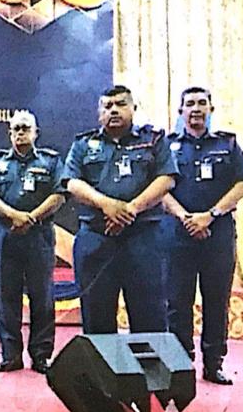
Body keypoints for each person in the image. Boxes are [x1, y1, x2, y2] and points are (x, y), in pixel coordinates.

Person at [63, 85, 177, 334]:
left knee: (150, 317)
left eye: (121, 104)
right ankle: (101, 363)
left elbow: (167, 179)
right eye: (107, 106)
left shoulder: (154, 140)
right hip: (96, 238)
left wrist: (130, 209)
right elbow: (71, 182)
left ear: (133, 108)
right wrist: (106, 204)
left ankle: (149, 362)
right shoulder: (83, 144)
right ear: (99, 113)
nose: (114, 110)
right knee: (96, 319)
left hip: (143, 237)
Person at [162, 87, 243, 385]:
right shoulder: (167, 145)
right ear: (181, 111)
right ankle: (180, 365)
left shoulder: (227, 144)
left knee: (217, 301)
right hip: (177, 235)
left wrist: (210, 215)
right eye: (189, 104)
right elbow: (159, 186)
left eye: (202, 103)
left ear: (211, 109)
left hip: (218, 235)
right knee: (177, 302)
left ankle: (214, 364)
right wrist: (185, 217)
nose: (196, 109)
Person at [0, 110, 65, 374]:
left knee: (42, 296)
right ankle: (11, 355)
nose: (20, 133)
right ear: (9, 133)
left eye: (26, 128)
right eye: (16, 129)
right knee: (6, 296)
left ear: (36, 132)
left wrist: (31, 217)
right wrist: (13, 215)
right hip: (5, 233)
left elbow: (60, 194)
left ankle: (41, 355)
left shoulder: (51, 161)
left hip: (39, 234)